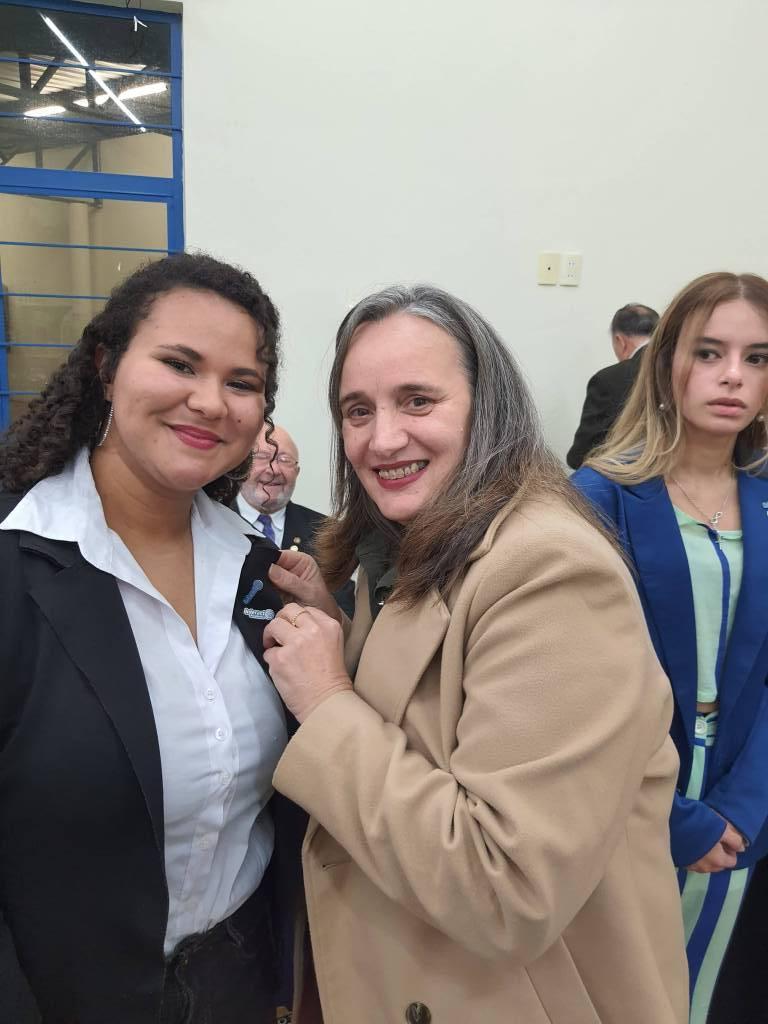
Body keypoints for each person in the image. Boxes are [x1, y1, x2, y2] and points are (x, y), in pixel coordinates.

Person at [257, 284, 688, 1024]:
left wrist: (325, 698)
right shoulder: (408, 547)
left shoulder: (549, 570)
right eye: (358, 410)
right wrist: (344, 636)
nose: (382, 439)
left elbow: (505, 887)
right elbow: (425, 720)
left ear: (487, 408)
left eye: (418, 401)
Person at [0, 253, 304, 1024]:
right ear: (106, 367)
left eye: (242, 382)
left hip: (237, 986)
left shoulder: (260, 573)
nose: (210, 402)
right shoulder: (14, 558)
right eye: (179, 364)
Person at [571, 272, 768, 1024]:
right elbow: (583, 682)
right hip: (626, 800)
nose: (732, 376)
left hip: (742, 807)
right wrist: (675, 817)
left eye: (757, 358)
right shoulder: (599, 497)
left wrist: (743, 810)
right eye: (710, 352)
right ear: (666, 364)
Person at [237, 424, 356, 617]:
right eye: (262, 457)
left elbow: (345, 610)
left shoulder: (329, 532)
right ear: (241, 464)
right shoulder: (209, 520)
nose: (274, 469)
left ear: (297, 472)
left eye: (285, 460)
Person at [567, 302, 659, 469]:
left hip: (631, 478)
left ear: (620, 341)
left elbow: (580, 455)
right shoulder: (686, 368)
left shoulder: (609, 379)